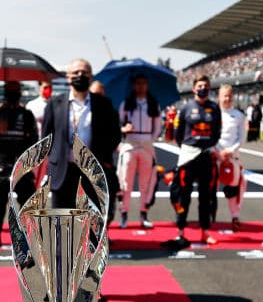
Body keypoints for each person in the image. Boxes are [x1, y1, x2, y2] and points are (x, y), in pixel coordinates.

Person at [41, 58, 122, 213]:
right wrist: (56, 157)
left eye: (84, 72)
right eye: (76, 72)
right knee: (61, 224)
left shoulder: (104, 104)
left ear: (91, 76)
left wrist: (101, 157)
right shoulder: (55, 103)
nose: (80, 75)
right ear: (68, 77)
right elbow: (46, 137)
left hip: (92, 171)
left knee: (92, 223)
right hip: (62, 172)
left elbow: (114, 135)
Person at [0, 80, 39, 248]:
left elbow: (35, 140)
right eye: (10, 91)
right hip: (2, 162)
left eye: (16, 91)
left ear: (20, 94)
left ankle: (28, 236)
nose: (13, 94)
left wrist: (27, 135)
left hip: (22, 163)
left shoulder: (27, 114)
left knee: (27, 201)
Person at [169, 75, 220, 247]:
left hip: (206, 156)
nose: (202, 88)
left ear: (209, 88)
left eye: (205, 85)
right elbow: (178, 133)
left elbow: (217, 132)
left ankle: (205, 231)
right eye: (200, 85)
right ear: (193, 88)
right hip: (189, 156)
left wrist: (207, 146)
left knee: (206, 197)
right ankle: (180, 231)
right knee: (183, 196)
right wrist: (188, 147)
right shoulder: (185, 108)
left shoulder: (214, 108)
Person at [117, 73, 163, 229]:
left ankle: (144, 214)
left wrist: (151, 139)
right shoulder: (126, 104)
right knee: (126, 182)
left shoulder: (153, 104)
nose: (141, 86)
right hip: (130, 144)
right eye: (138, 83)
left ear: (147, 85)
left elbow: (157, 126)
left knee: (146, 183)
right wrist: (124, 129)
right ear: (133, 85)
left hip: (147, 146)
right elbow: (118, 125)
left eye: (144, 83)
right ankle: (124, 214)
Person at [216, 84, 248, 231]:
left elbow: (241, 138)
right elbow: (210, 136)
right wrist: (218, 152)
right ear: (219, 96)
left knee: (232, 190)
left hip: (232, 157)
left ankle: (235, 216)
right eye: (224, 95)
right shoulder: (212, 113)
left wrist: (230, 151)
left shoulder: (239, 116)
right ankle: (210, 216)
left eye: (229, 95)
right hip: (215, 157)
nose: (227, 98)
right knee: (210, 188)